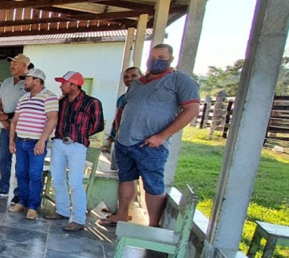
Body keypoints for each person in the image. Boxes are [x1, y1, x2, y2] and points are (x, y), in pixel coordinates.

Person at [100, 44, 200, 228]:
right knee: (125, 178)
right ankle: (122, 215)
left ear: (170, 59)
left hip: (151, 144)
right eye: (153, 57)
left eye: (161, 57)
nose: (156, 61)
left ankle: (153, 225)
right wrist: (119, 131)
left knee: (152, 184)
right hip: (125, 142)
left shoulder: (179, 80)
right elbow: (124, 108)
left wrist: (162, 136)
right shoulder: (138, 84)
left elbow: (191, 109)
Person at [46, 71, 104, 231]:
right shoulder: (62, 101)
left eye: (64, 83)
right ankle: (62, 210)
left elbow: (98, 125)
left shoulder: (92, 103)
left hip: (77, 145)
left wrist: (80, 135)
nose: (60, 86)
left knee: (75, 182)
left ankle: (78, 219)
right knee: (57, 178)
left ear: (73, 85)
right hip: (59, 142)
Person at [8, 68, 58, 220]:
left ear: (37, 81)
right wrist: (11, 140)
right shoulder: (24, 98)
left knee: (35, 175)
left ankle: (33, 206)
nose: (25, 81)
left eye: (28, 79)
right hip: (21, 141)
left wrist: (42, 141)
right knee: (21, 173)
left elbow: (52, 119)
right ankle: (22, 201)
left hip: (36, 143)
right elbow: (15, 121)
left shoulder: (49, 97)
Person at [0, 54, 31, 201]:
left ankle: (19, 193)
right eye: (11, 63)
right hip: (6, 127)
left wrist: (10, 117)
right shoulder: (6, 82)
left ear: (25, 66)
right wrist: (2, 117)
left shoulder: (29, 84)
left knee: (22, 162)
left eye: (16, 63)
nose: (12, 66)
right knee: (4, 158)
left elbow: (28, 107)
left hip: (22, 128)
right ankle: (3, 187)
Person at [105, 66, 144, 153]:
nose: (129, 79)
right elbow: (118, 118)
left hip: (140, 144)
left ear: (142, 76)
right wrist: (113, 136)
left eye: (134, 76)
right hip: (122, 142)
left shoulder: (147, 97)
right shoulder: (122, 99)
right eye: (126, 77)